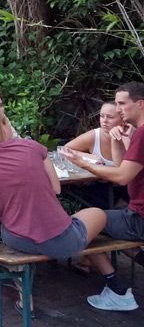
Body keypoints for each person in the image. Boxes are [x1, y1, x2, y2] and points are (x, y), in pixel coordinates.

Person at [0, 108, 108, 315]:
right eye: (7, 121)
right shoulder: (33, 148)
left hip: (17, 239)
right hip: (62, 242)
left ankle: (25, 299)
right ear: (2, 126)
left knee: (1, 230)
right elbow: (56, 189)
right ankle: (106, 275)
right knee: (98, 214)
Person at [62, 82, 144, 312]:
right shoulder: (136, 133)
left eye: (122, 104)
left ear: (140, 104)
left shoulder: (142, 133)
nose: (118, 110)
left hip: (139, 218)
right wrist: (120, 140)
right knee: (97, 219)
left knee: (82, 223)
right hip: (134, 213)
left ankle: (117, 291)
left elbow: (122, 177)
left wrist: (83, 163)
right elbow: (122, 167)